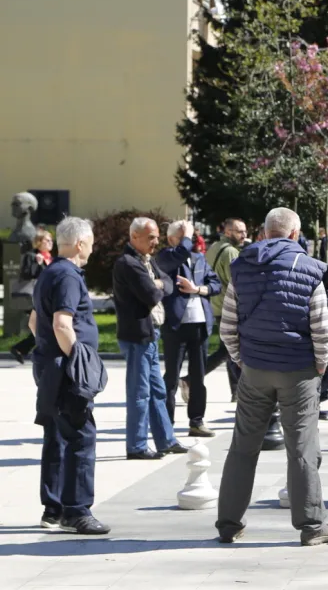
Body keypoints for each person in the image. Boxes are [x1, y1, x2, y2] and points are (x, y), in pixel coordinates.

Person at [216, 207, 328, 546]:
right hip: (298, 370)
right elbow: (321, 327)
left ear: (264, 233)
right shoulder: (310, 269)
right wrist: (320, 365)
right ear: (294, 234)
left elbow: (228, 326)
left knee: (243, 446)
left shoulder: (241, 267)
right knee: (301, 448)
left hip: (255, 369)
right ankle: (311, 526)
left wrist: (243, 360)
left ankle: (228, 523)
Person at [28, 217, 110, 534]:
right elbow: (62, 324)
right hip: (65, 370)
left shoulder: (49, 273)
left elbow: (36, 323)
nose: (92, 248)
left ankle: (56, 507)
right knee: (80, 436)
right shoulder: (68, 276)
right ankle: (77, 511)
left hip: (50, 366)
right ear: (79, 243)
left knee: (58, 435)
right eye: (90, 242)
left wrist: (48, 352)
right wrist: (78, 363)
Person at [113, 217, 186, 461]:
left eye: (157, 236)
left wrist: (159, 282)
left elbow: (167, 282)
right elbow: (152, 294)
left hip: (150, 335)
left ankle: (166, 439)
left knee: (157, 391)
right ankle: (136, 446)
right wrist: (158, 284)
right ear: (134, 237)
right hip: (137, 336)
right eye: (151, 237)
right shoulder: (128, 263)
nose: (156, 241)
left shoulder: (147, 260)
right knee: (140, 392)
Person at [155, 220, 222, 438]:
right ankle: (167, 423)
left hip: (200, 325)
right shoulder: (166, 257)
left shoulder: (199, 258)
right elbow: (179, 254)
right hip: (176, 325)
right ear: (172, 239)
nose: (190, 240)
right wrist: (186, 235)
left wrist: (198, 289)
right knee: (172, 377)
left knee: (198, 376)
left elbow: (216, 284)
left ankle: (197, 421)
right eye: (185, 236)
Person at [205, 218, 247, 399]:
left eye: (244, 231)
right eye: (239, 231)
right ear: (228, 232)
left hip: (215, 305)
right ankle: (191, 378)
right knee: (229, 350)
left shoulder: (214, 247)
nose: (244, 235)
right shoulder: (231, 252)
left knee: (230, 349)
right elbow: (237, 283)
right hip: (229, 307)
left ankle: (236, 392)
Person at [9, 228, 53, 363]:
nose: (51, 242)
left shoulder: (50, 257)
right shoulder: (32, 256)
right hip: (34, 297)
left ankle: (20, 348)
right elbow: (26, 275)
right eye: (47, 240)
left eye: (51, 240)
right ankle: (26, 349)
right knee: (45, 326)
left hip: (48, 297)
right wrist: (38, 264)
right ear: (39, 242)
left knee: (44, 326)